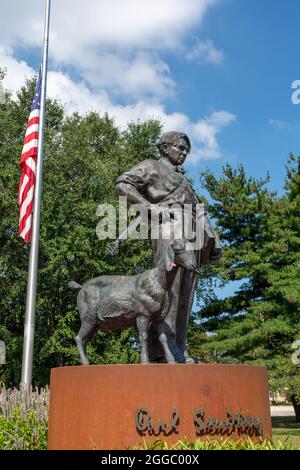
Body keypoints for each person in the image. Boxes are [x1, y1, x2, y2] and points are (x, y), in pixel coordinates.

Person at [115, 131, 221, 363]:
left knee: (186, 293)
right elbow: (123, 184)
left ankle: (179, 347)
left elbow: (198, 209)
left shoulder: (184, 180)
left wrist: (214, 238)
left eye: (186, 150)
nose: (183, 153)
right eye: (179, 148)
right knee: (168, 289)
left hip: (192, 233)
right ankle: (162, 347)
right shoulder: (151, 166)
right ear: (164, 147)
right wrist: (147, 207)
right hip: (168, 228)